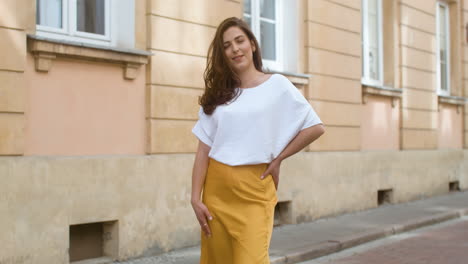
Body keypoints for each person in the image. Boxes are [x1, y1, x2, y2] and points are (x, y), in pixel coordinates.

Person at [191, 17, 325, 264]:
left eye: (240, 41)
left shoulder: (277, 85)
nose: (235, 49)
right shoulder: (220, 94)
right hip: (216, 192)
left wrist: (279, 158)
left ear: (252, 44)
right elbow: (203, 151)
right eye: (227, 46)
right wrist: (195, 197)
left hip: (255, 190)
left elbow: (314, 127)